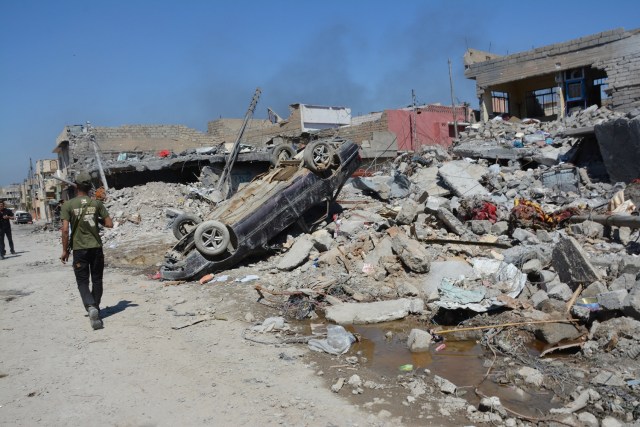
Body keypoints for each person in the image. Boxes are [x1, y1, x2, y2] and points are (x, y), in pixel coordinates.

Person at [60, 172, 113, 330]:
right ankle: (95, 307)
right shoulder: (96, 204)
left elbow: (64, 230)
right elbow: (109, 224)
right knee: (97, 280)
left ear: (76, 187)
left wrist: (65, 250)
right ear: (90, 187)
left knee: (82, 281)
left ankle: (91, 307)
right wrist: (95, 219)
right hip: (96, 248)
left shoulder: (68, 205)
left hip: (79, 249)